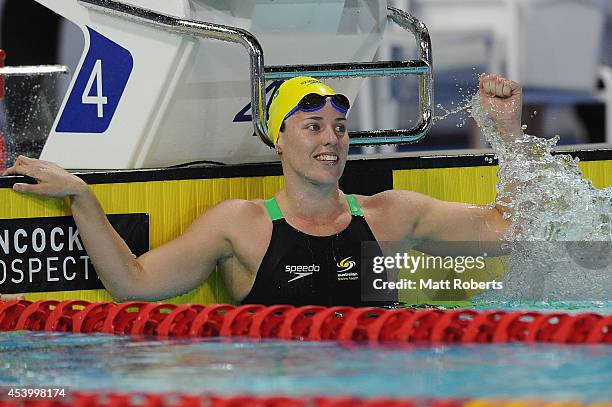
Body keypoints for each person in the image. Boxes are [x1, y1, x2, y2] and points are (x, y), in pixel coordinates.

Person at [0, 74, 522, 306]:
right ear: (279, 141)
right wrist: (82, 198)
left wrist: (508, 132)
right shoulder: (240, 226)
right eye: (312, 126)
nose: (331, 140)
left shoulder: (392, 214)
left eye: (339, 128)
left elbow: (508, 229)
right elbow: (133, 283)